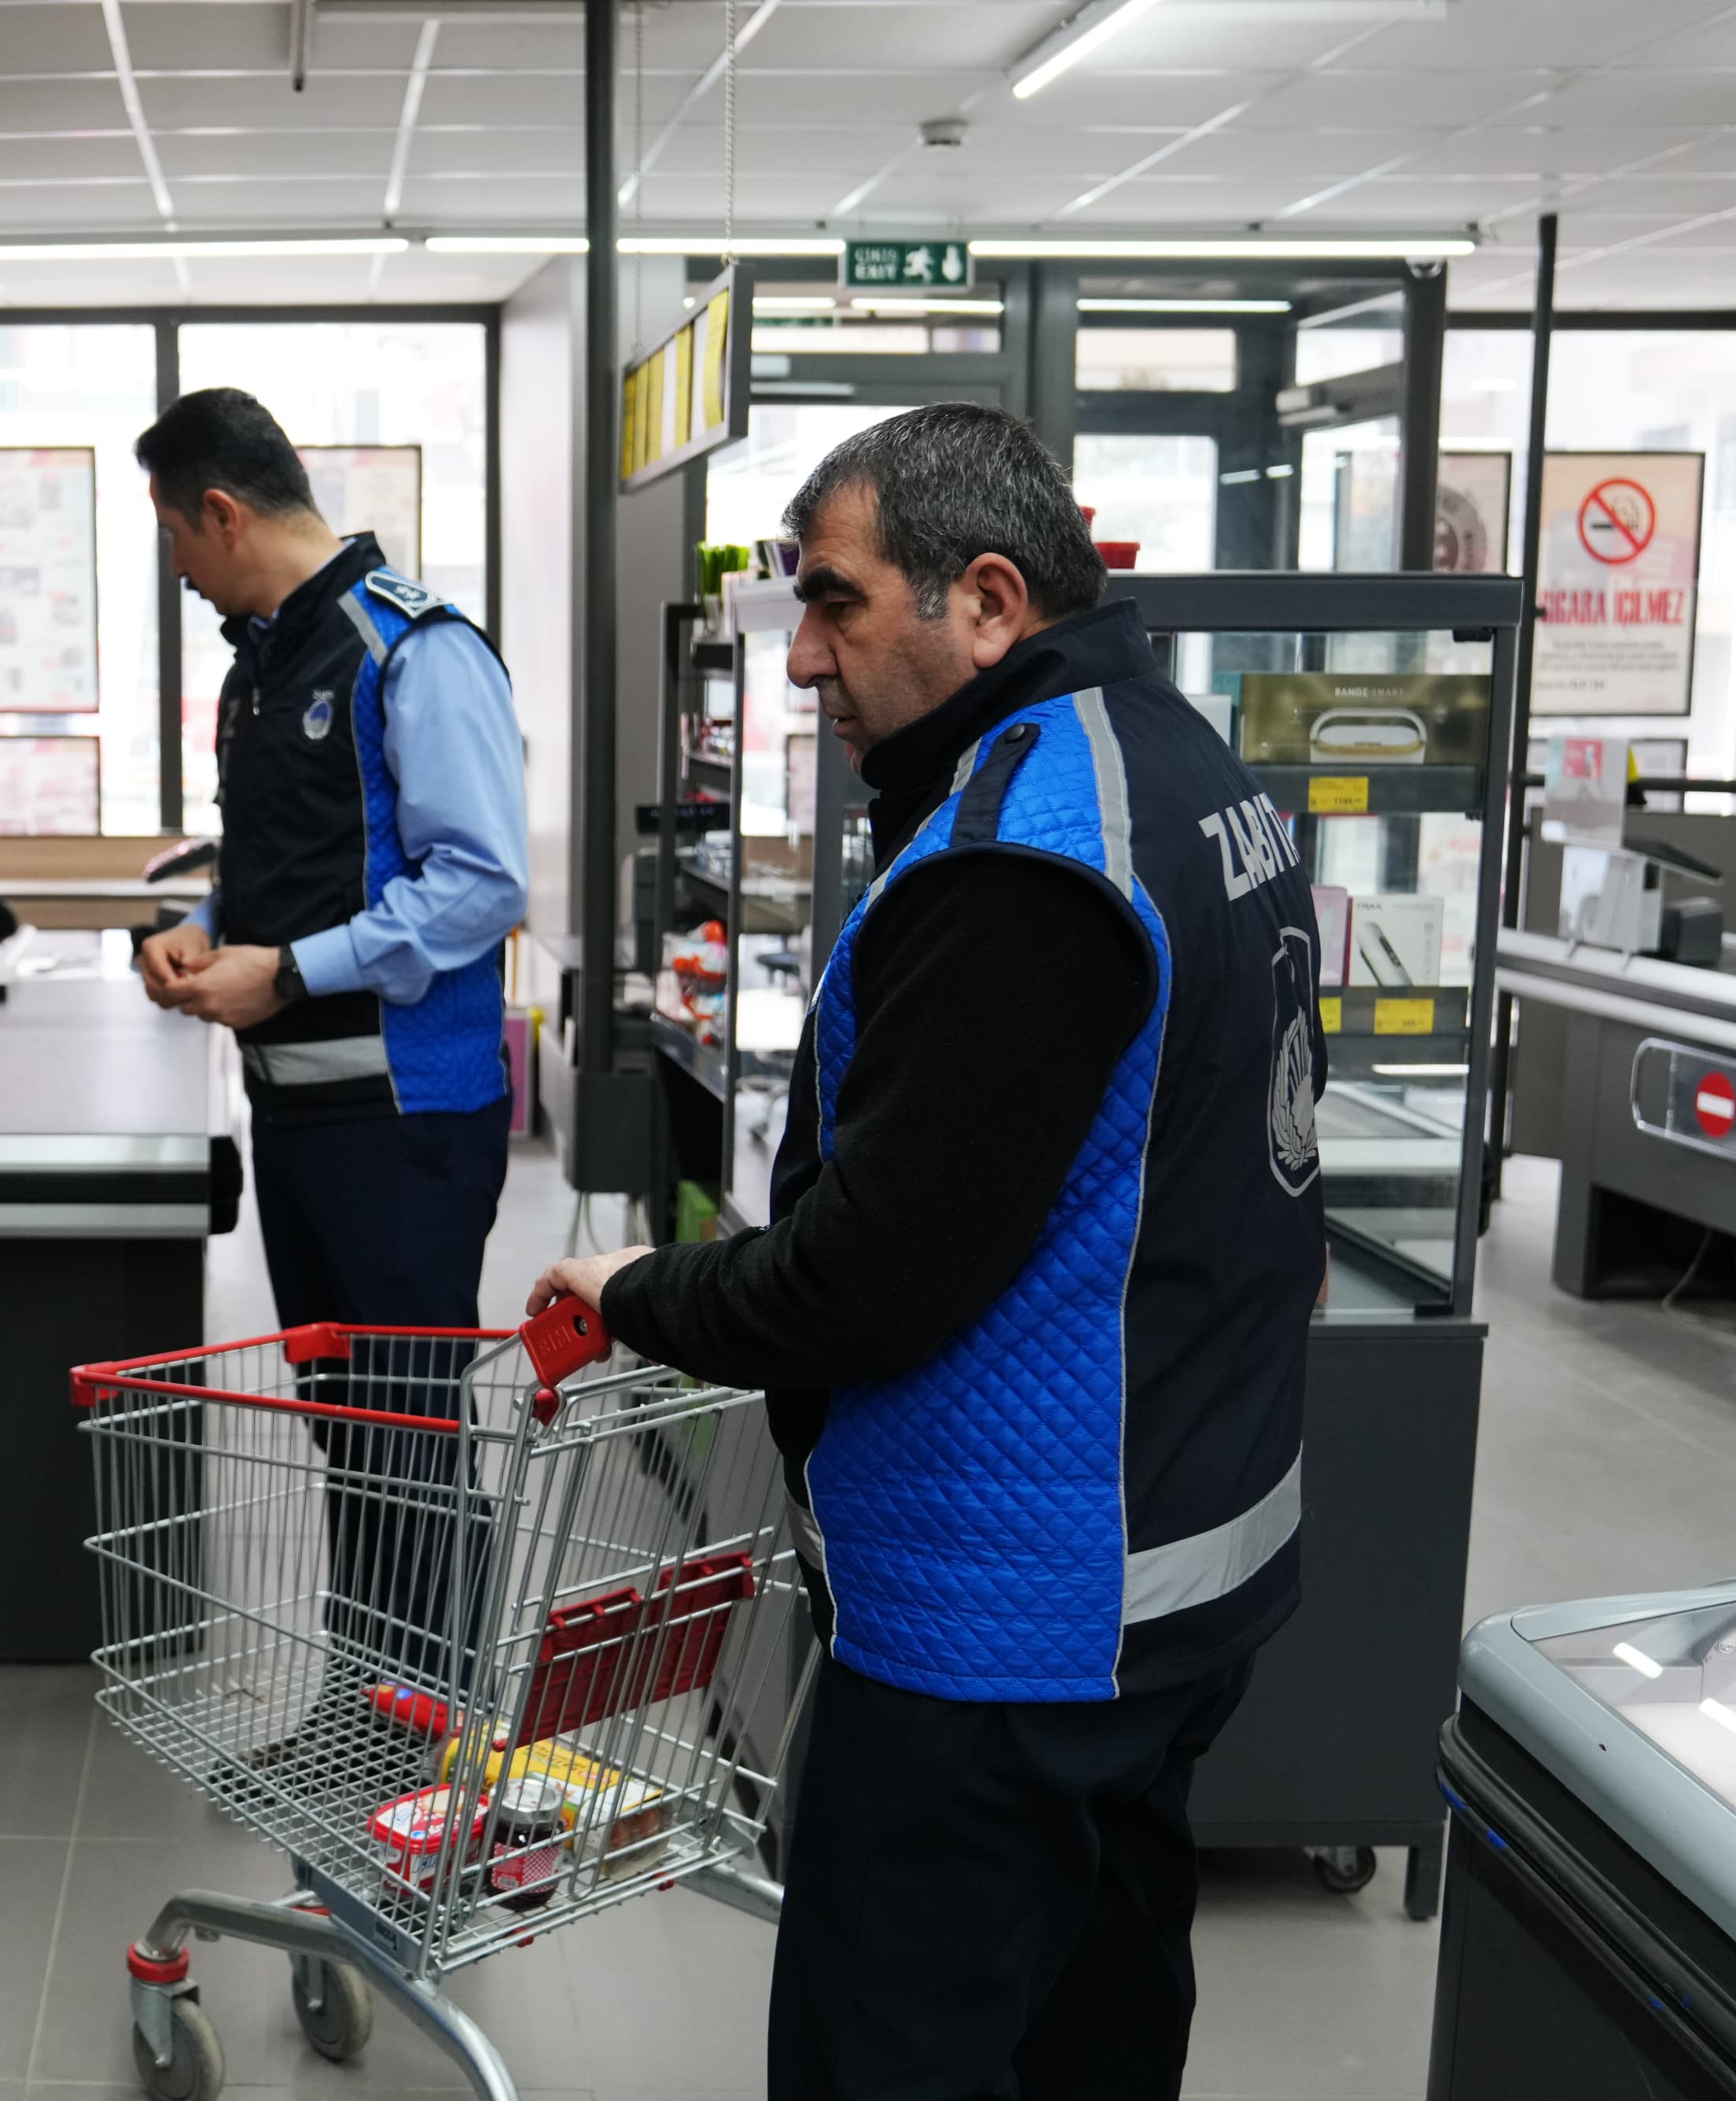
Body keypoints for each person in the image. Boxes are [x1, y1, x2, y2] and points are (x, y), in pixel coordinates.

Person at [530, 403, 1322, 2099]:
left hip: (1007, 1622)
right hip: (1186, 1564)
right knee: (1095, 2024)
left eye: (835, 604)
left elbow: (870, 1277)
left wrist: (639, 1291)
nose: (804, 659)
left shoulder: (1023, 862)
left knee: (893, 2045)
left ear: (983, 598)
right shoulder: (1180, 760)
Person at [133, 387, 526, 1694]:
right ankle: (372, 1717)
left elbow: (480, 882)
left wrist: (288, 972)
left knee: (411, 1441)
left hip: (406, 1120)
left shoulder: (411, 649)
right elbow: (296, 865)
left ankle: (445, 1754)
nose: (177, 572)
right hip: (299, 1114)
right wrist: (204, 928)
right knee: (347, 1437)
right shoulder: (265, 664)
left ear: (224, 512)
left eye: (176, 540)